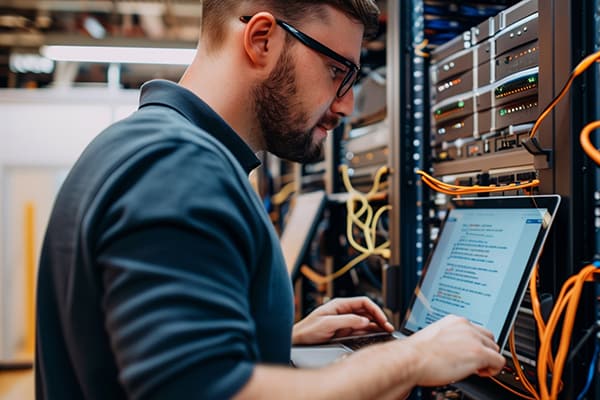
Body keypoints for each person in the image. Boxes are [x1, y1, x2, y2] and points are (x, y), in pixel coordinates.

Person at [35, 1, 506, 399]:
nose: (345, 105)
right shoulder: (179, 166)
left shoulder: (144, 144)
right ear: (262, 39)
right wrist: (413, 357)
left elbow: (139, 360)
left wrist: (274, 338)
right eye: (337, 71)